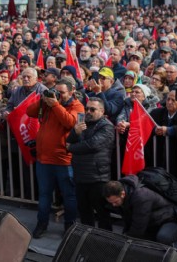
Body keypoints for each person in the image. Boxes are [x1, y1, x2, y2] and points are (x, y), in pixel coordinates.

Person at [27, 77, 84, 238]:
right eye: (55, 92)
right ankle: (42, 223)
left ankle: (69, 225)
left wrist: (56, 105)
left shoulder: (77, 105)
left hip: (63, 160)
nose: (58, 95)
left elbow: (71, 123)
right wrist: (43, 101)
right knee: (44, 194)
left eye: (62, 93)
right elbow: (29, 112)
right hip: (44, 159)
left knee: (69, 195)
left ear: (72, 91)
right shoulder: (48, 104)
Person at [66, 97, 114, 230]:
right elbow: (69, 141)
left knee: (102, 213)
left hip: (97, 177)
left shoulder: (106, 126)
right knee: (84, 212)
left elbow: (91, 145)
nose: (88, 111)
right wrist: (75, 133)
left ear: (102, 111)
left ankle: (107, 242)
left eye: (92, 109)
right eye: (87, 108)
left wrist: (71, 148)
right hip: (80, 175)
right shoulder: (82, 122)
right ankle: (88, 240)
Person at [103, 176, 177, 245]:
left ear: (122, 194)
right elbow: (130, 220)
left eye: (115, 202)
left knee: (163, 237)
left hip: (169, 220)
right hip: (152, 222)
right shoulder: (122, 196)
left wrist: (126, 240)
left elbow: (138, 226)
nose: (113, 205)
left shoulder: (140, 197)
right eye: (111, 202)